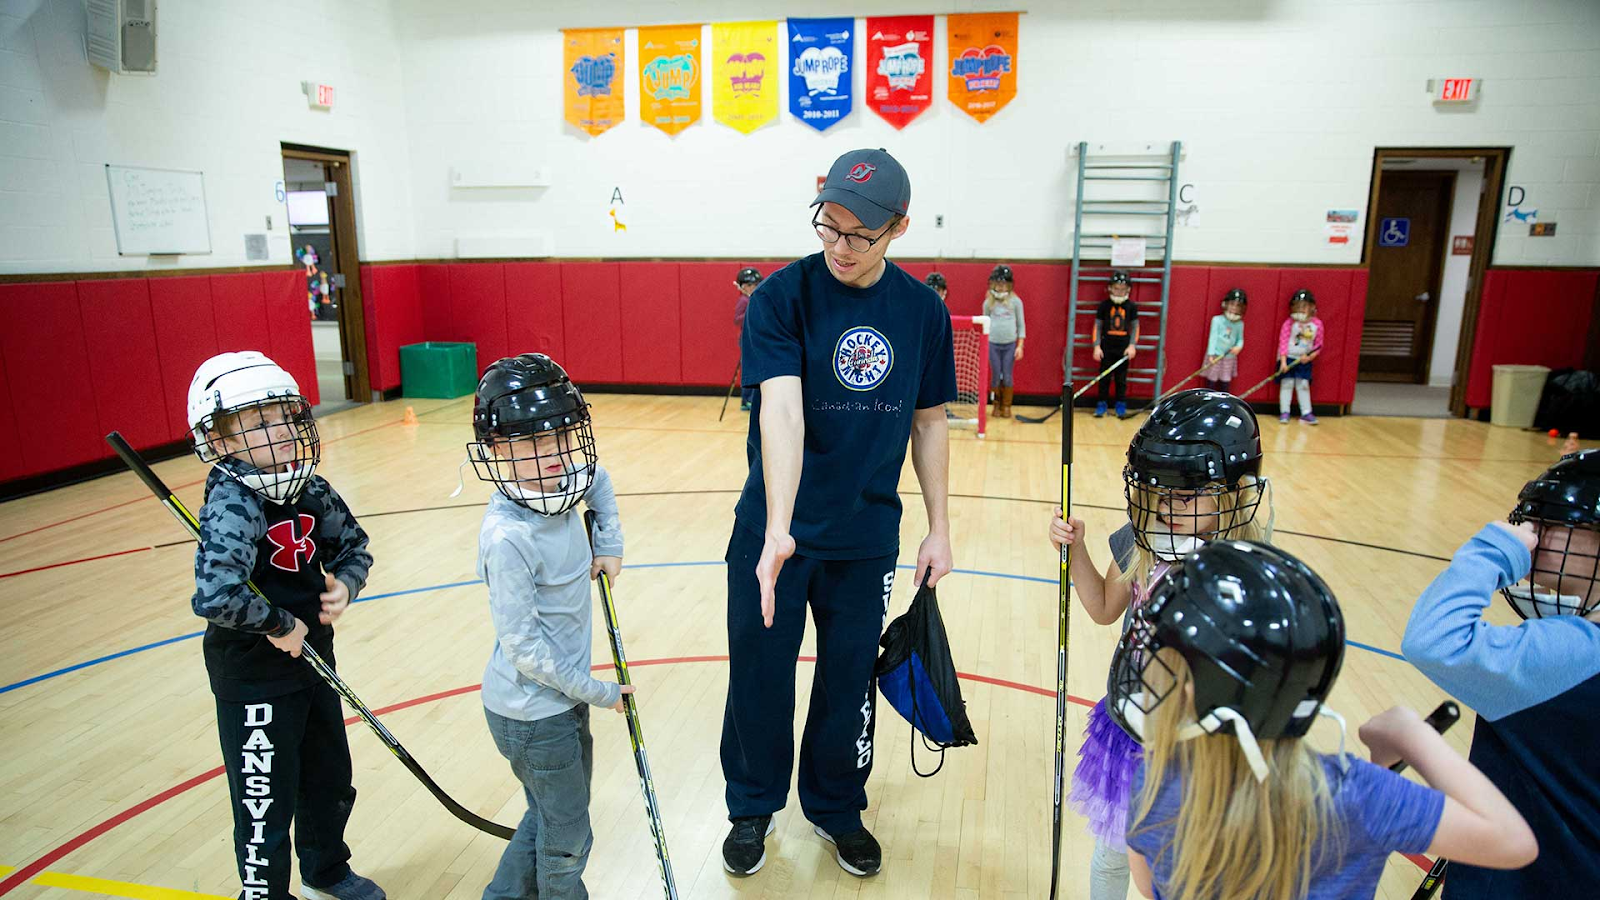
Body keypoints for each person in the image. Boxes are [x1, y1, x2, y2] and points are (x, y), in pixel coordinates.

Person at [722, 148, 957, 879]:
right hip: (775, 535)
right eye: (828, 226)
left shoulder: (922, 312)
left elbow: (929, 422)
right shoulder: (781, 299)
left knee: (848, 677)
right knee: (760, 673)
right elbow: (782, 416)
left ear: (899, 228)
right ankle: (752, 806)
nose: (839, 246)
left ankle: (835, 806)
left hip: (864, 539)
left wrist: (940, 526)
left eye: (859, 234)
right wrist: (779, 531)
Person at [1115, 540, 1537, 900]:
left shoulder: (1155, 785)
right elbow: (1512, 842)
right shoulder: (1356, 795)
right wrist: (1411, 736)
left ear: (1192, 690)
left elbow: (1150, 887)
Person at [1050, 389, 1271, 899]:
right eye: (1161, 494)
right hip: (1132, 729)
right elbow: (1104, 607)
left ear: (1232, 495)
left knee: (1179, 867)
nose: (1170, 508)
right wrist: (1077, 549)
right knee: (1112, 856)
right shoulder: (1141, 539)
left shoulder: (1244, 567)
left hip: (1199, 746)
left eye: (1188, 496)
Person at [186, 351, 385, 900]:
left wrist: (346, 582)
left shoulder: (309, 488)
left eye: (283, 417)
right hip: (255, 678)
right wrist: (277, 623)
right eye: (258, 423)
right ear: (220, 440)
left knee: (328, 781)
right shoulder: (233, 501)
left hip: (315, 662)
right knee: (263, 801)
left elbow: (354, 546)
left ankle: (326, 868)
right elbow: (216, 594)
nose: (279, 433)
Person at [466, 353, 630, 899]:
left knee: (548, 815)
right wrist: (600, 691)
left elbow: (599, 479)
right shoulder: (507, 537)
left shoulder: (563, 478)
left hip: (561, 697)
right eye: (531, 443)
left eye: (560, 436)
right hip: (532, 710)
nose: (553, 454)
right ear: (495, 450)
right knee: (567, 836)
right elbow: (526, 652)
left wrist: (608, 545)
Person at [1402, 449, 1600, 897]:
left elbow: (1434, 638)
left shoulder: (1566, 657)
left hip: (1525, 880)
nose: (1533, 534)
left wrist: (1491, 551)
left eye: (1552, 523)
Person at [1094, 270, 1139, 418]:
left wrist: (1132, 345)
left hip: (1123, 349)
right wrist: (1096, 346)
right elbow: (1097, 326)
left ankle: (1120, 405)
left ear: (1128, 290)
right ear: (1110, 288)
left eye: (1122, 289)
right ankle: (1101, 405)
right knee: (1104, 378)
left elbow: (1135, 327)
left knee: (1121, 379)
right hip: (1107, 347)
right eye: (1116, 288)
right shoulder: (1104, 305)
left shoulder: (1131, 306)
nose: (1119, 292)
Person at [983, 264, 1026, 419]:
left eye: (1003, 284)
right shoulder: (988, 303)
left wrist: (1020, 345)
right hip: (993, 344)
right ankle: (995, 404)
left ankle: (1006, 406)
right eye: (998, 284)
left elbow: (1021, 325)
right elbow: (985, 323)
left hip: (1009, 344)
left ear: (1009, 285)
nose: (1000, 287)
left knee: (1007, 375)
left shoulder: (1016, 302)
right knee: (995, 375)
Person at [1276, 289, 1323, 425]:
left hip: (1304, 360)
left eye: (1304, 306)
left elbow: (1318, 345)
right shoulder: (1289, 324)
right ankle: (1284, 411)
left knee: (1303, 385)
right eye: (1298, 306)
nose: (1300, 310)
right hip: (1289, 358)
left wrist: (1310, 357)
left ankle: (1306, 412)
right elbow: (1283, 343)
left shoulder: (1317, 325)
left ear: (1312, 307)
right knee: (1287, 385)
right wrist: (1283, 362)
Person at [1200, 288, 1246, 392]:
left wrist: (1238, 347)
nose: (1234, 308)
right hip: (1216, 355)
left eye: (1237, 306)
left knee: (1225, 380)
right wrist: (1211, 354)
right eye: (1232, 304)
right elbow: (1213, 337)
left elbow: (1240, 339)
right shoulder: (1217, 320)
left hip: (1229, 357)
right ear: (1226, 304)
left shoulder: (1240, 324)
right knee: (1212, 378)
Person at [734, 267, 764, 411]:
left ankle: (749, 399)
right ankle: (748, 399)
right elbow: (737, 319)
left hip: (755, 338)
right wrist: (750, 313)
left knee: (755, 367)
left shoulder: (755, 299)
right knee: (751, 369)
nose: (756, 287)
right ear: (745, 286)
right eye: (753, 285)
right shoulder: (744, 301)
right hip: (747, 339)